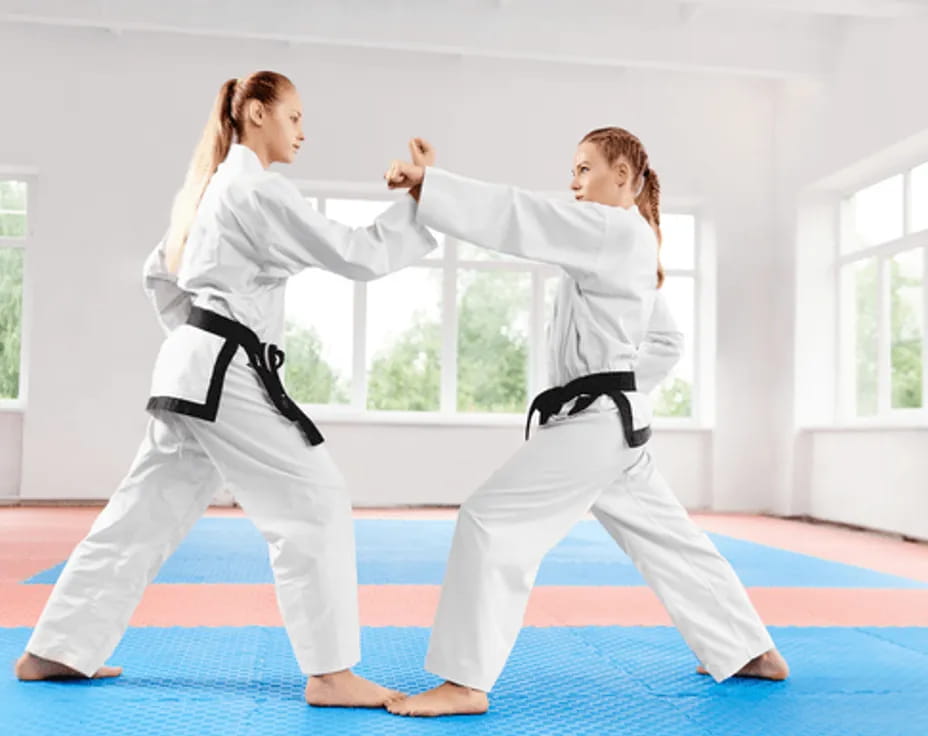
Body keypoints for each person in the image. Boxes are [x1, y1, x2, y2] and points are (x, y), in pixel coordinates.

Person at [14, 71, 437, 709]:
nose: (303, 131)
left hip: (188, 368)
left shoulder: (209, 190)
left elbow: (156, 274)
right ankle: (330, 673)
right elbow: (355, 253)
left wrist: (191, 340)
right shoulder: (257, 190)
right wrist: (421, 201)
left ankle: (57, 647)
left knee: (141, 516)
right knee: (315, 501)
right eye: (295, 117)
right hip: (221, 373)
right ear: (258, 114)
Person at [383, 131, 788, 717]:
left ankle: (464, 683)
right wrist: (621, 387)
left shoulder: (612, 229)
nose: (573, 182)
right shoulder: (627, 242)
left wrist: (432, 187)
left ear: (622, 176)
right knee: (670, 541)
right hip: (612, 424)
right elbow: (668, 341)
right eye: (571, 170)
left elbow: (519, 215)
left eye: (584, 168)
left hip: (598, 424)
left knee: (489, 521)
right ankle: (750, 649)